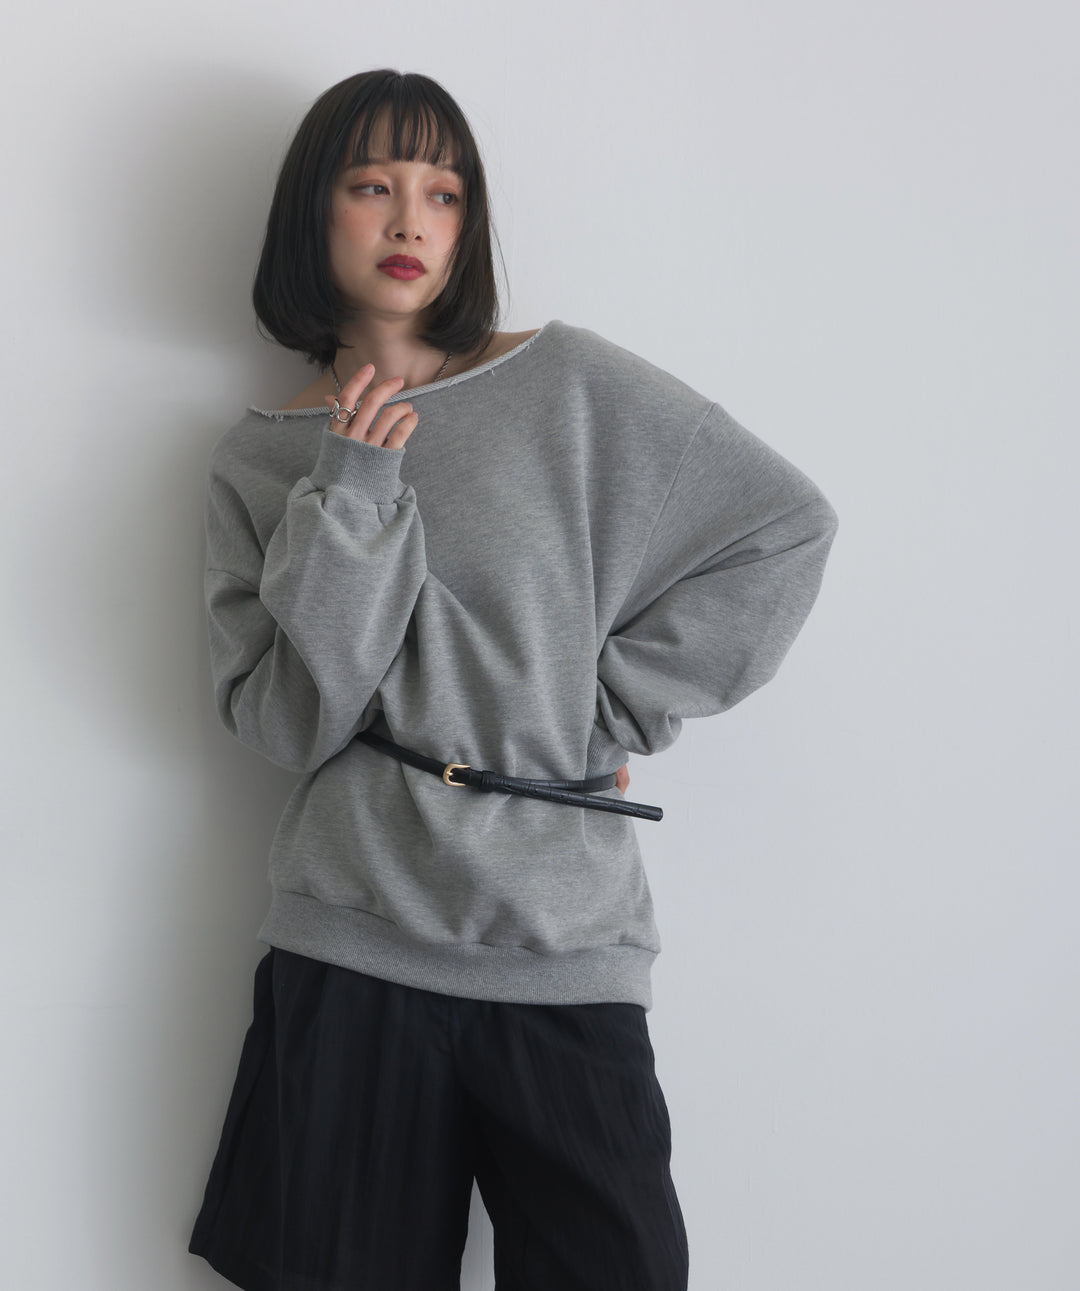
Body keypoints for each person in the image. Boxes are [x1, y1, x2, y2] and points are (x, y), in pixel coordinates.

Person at [188, 68, 838, 1291]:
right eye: (371, 185)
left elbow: (784, 527)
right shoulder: (260, 460)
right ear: (311, 211)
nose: (410, 220)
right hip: (352, 945)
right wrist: (352, 493)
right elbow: (289, 722)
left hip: (564, 946)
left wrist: (613, 705)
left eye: (443, 191)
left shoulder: (574, 385)